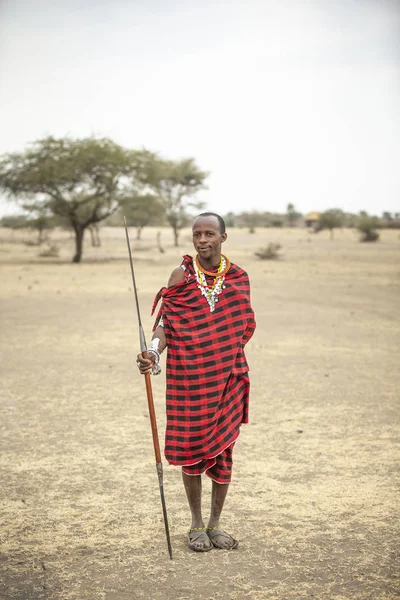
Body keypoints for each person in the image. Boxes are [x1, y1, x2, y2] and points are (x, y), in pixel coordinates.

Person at [137, 212, 256, 552]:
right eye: (197, 234)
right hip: (190, 380)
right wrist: (153, 352)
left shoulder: (239, 278)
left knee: (224, 453)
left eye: (209, 234)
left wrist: (222, 353)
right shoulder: (181, 276)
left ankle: (217, 524)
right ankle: (195, 524)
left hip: (229, 378)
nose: (203, 240)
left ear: (223, 237)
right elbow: (166, 325)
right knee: (191, 452)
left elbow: (241, 325)